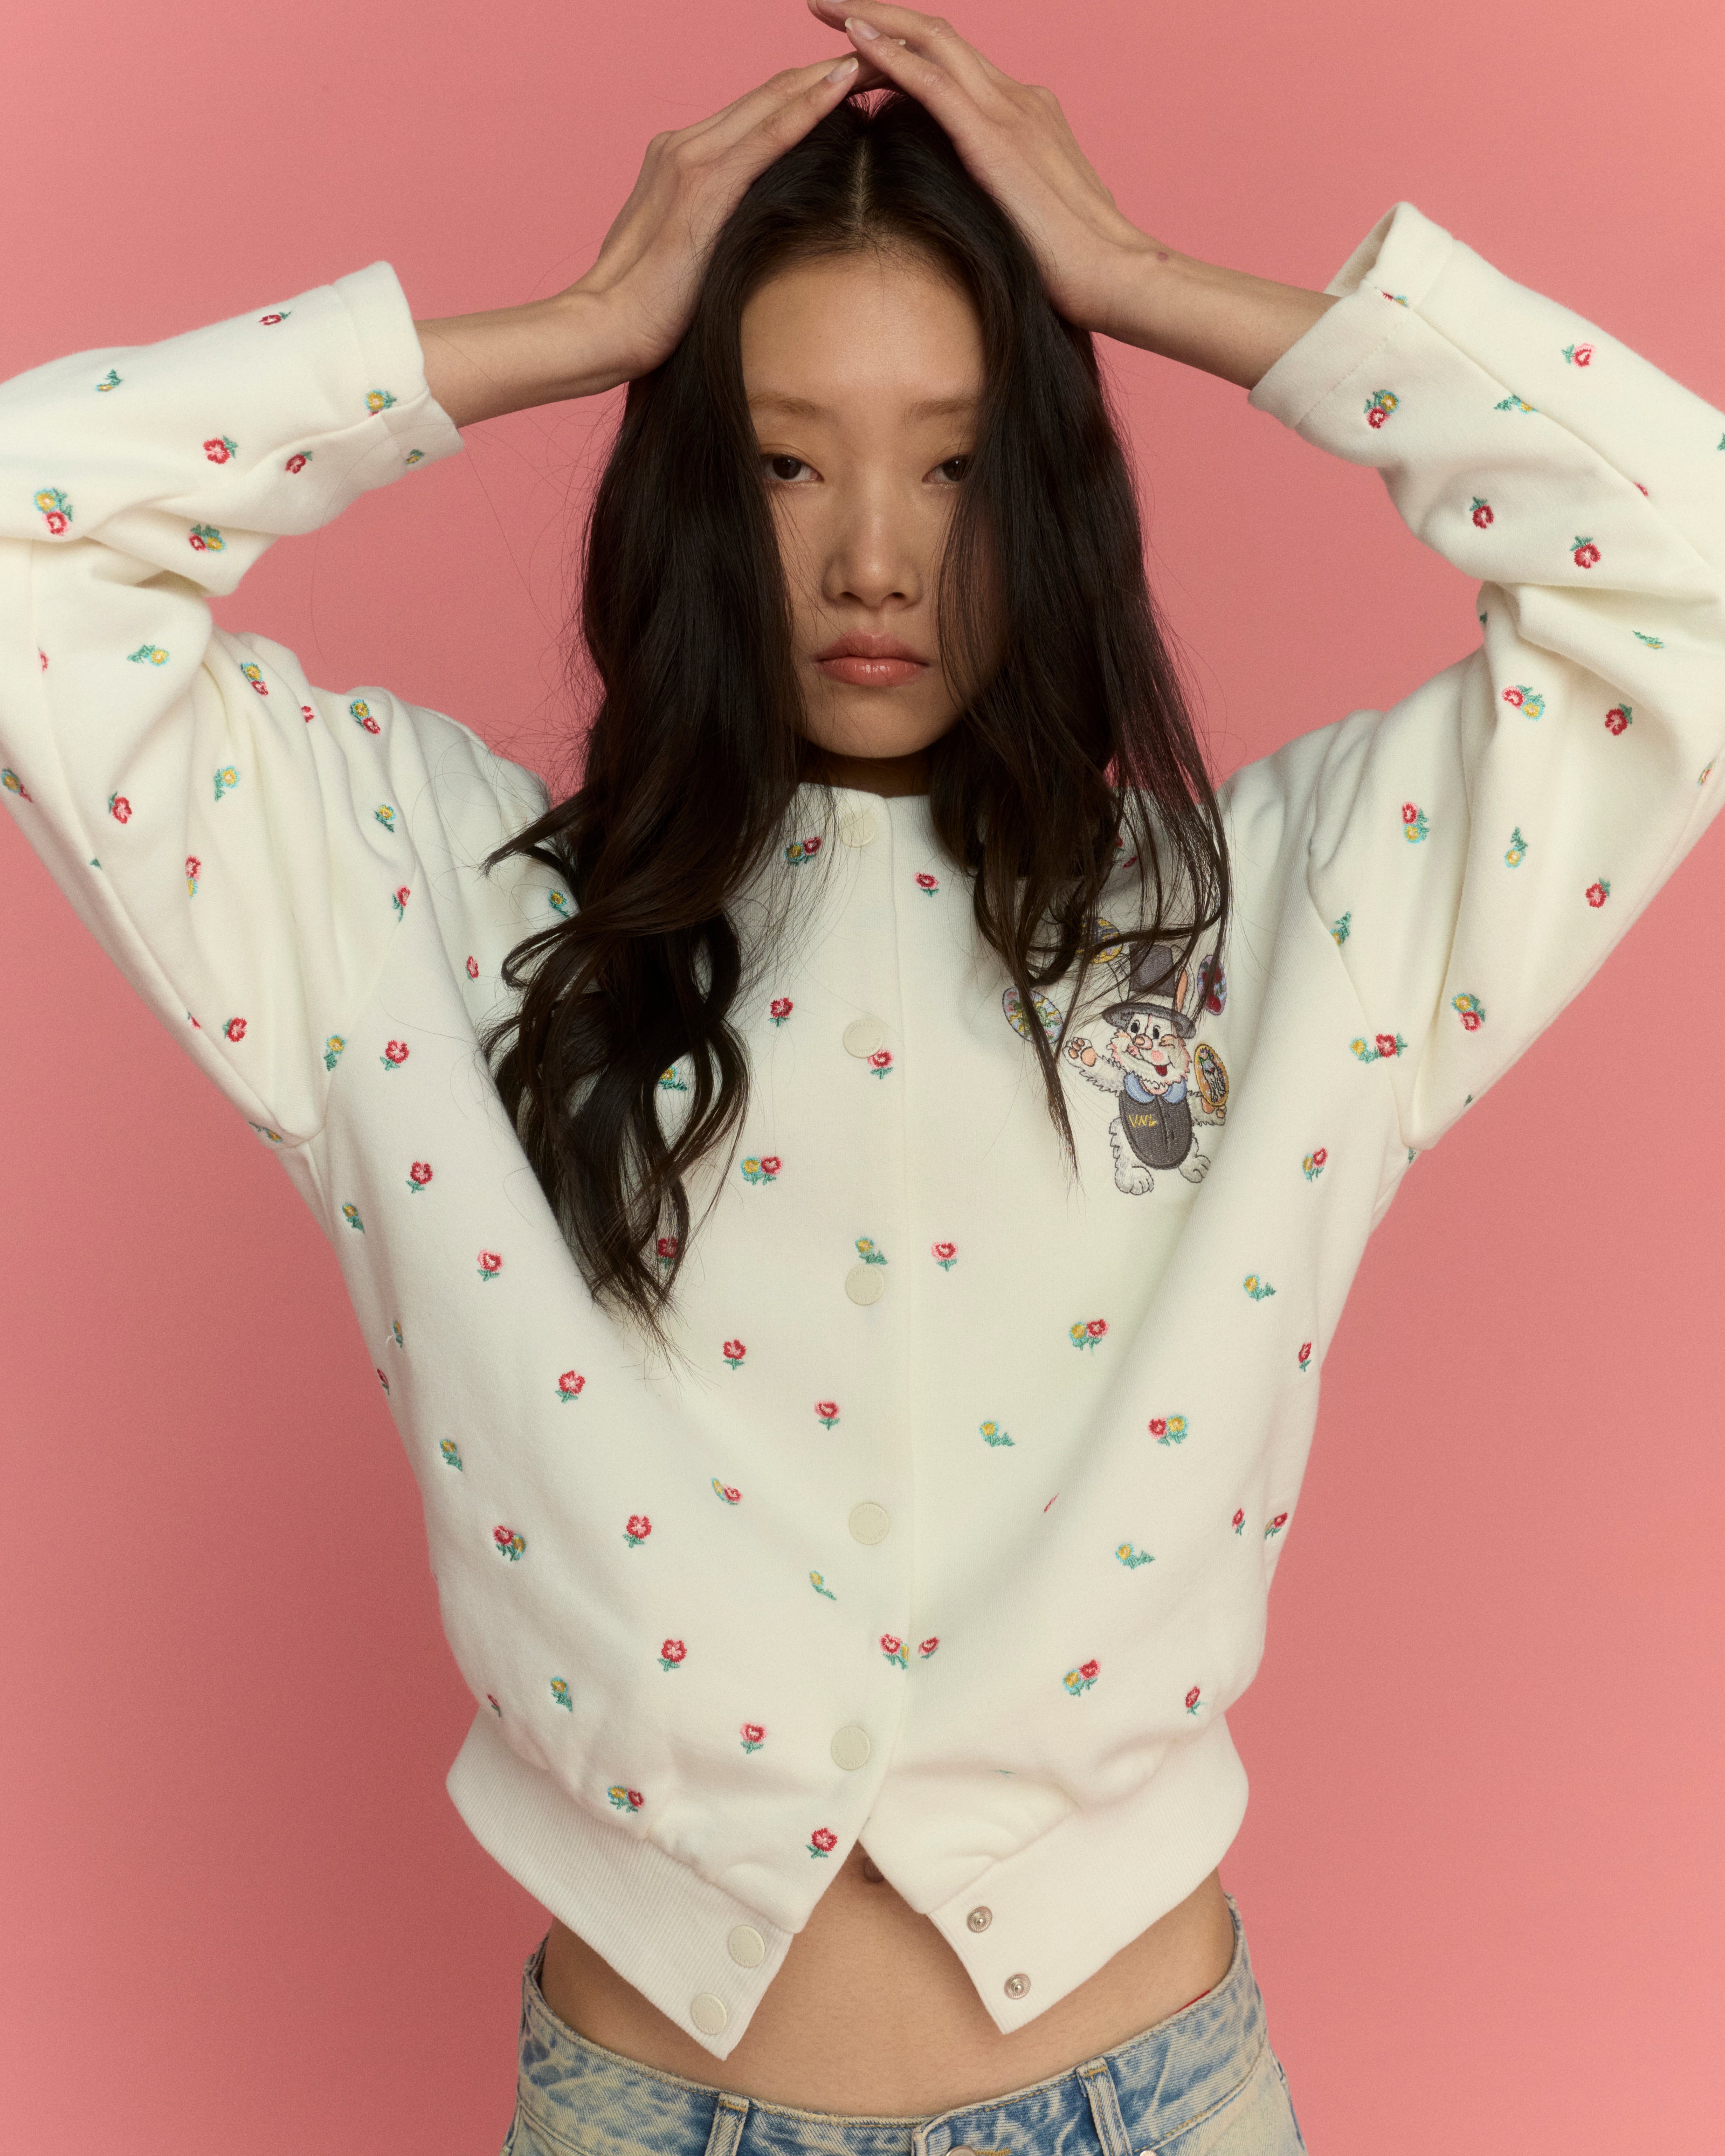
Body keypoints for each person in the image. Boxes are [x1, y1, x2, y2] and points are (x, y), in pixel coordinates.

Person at [3, 2, 1720, 2148]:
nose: (874, 557)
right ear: (690, 489)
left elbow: (1689, 573)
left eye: (957, 459)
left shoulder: (1263, 920)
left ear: (1050, 487)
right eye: (785, 459)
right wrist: (567, 330)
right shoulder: (428, 905)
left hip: (1158, 2104)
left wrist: (1149, 287)